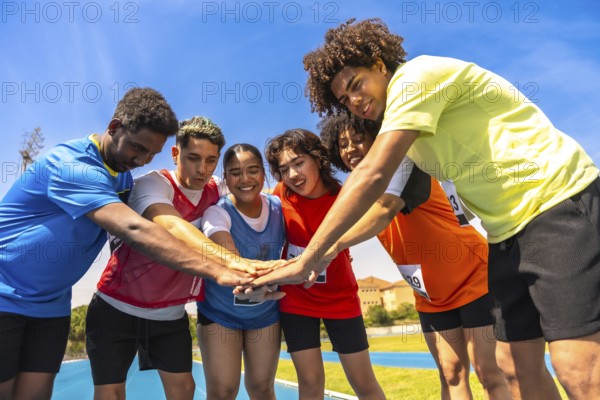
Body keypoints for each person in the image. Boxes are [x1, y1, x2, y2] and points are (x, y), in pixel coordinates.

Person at [255, 18, 600, 400]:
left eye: (356, 84)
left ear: (380, 63)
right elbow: (382, 205)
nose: (353, 101)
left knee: (577, 369)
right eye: (343, 99)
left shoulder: (415, 79)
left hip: (555, 203)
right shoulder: (406, 132)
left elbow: (371, 175)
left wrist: (309, 258)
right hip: (506, 235)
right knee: (514, 368)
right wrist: (325, 253)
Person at [0, 88, 255, 400]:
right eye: (137, 147)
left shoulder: (121, 178)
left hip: (51, 306)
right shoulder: (73, 165)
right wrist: (218, 269)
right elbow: (136, 228)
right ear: (114, 127)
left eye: (150, 154)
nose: (141, 159)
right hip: (4, 295)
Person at [319, 113, 511, 399]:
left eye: (359, 140)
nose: (350, 149)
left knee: (489, 373)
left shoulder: (406, 165)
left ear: (379, 140)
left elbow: (383, 212)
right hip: (430, 296)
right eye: (343, 144)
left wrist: (331, 247)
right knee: (451, 374)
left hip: (474, 278)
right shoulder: (357, 191)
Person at [86, 117, 267, 400]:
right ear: (175, 154)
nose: (202, 169)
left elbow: (260, 197)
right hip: (115, 308)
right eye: (193, 158)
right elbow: (172, 226)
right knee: (110, 394)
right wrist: (233, 262)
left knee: (184, 391)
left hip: (169, 315)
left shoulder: (218, 188)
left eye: (210, 160)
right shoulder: (152, 184)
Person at [264, 129, 386, 400]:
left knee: (364, 384)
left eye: (298, 163)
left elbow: (379, 215)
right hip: (295, 299)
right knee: (310, 382)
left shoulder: (343, 197)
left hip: (340, 298)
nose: (293, 175)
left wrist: (332, 249)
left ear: (317, 159)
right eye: (284, 169)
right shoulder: (279, 194)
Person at [197, 143, 285, 400]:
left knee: (261, 389)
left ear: (264, 174)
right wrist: (285, 271)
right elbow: (233, 262)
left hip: (265, 314)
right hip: (220, 314)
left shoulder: (279, 208)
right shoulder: (216, 213)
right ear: (226, 178)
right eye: (235, 172)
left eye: (253, 170)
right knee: (223, 392)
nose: (245, 179)